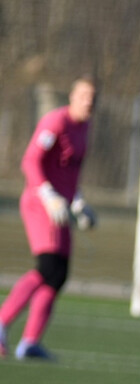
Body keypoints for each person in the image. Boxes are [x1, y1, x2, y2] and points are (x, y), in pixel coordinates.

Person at [0, 76, 98, 361]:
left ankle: (29, 343)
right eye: (84, 95)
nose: (89, 101)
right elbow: (30, 161)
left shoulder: (85, 128)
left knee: (58, 275)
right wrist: (47, 193)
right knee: (47, 267)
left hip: (62, 206)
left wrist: (78, 202)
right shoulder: (55, 122)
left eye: (93, 96)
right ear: (72, 96)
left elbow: (70, 172)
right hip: (40, 202)